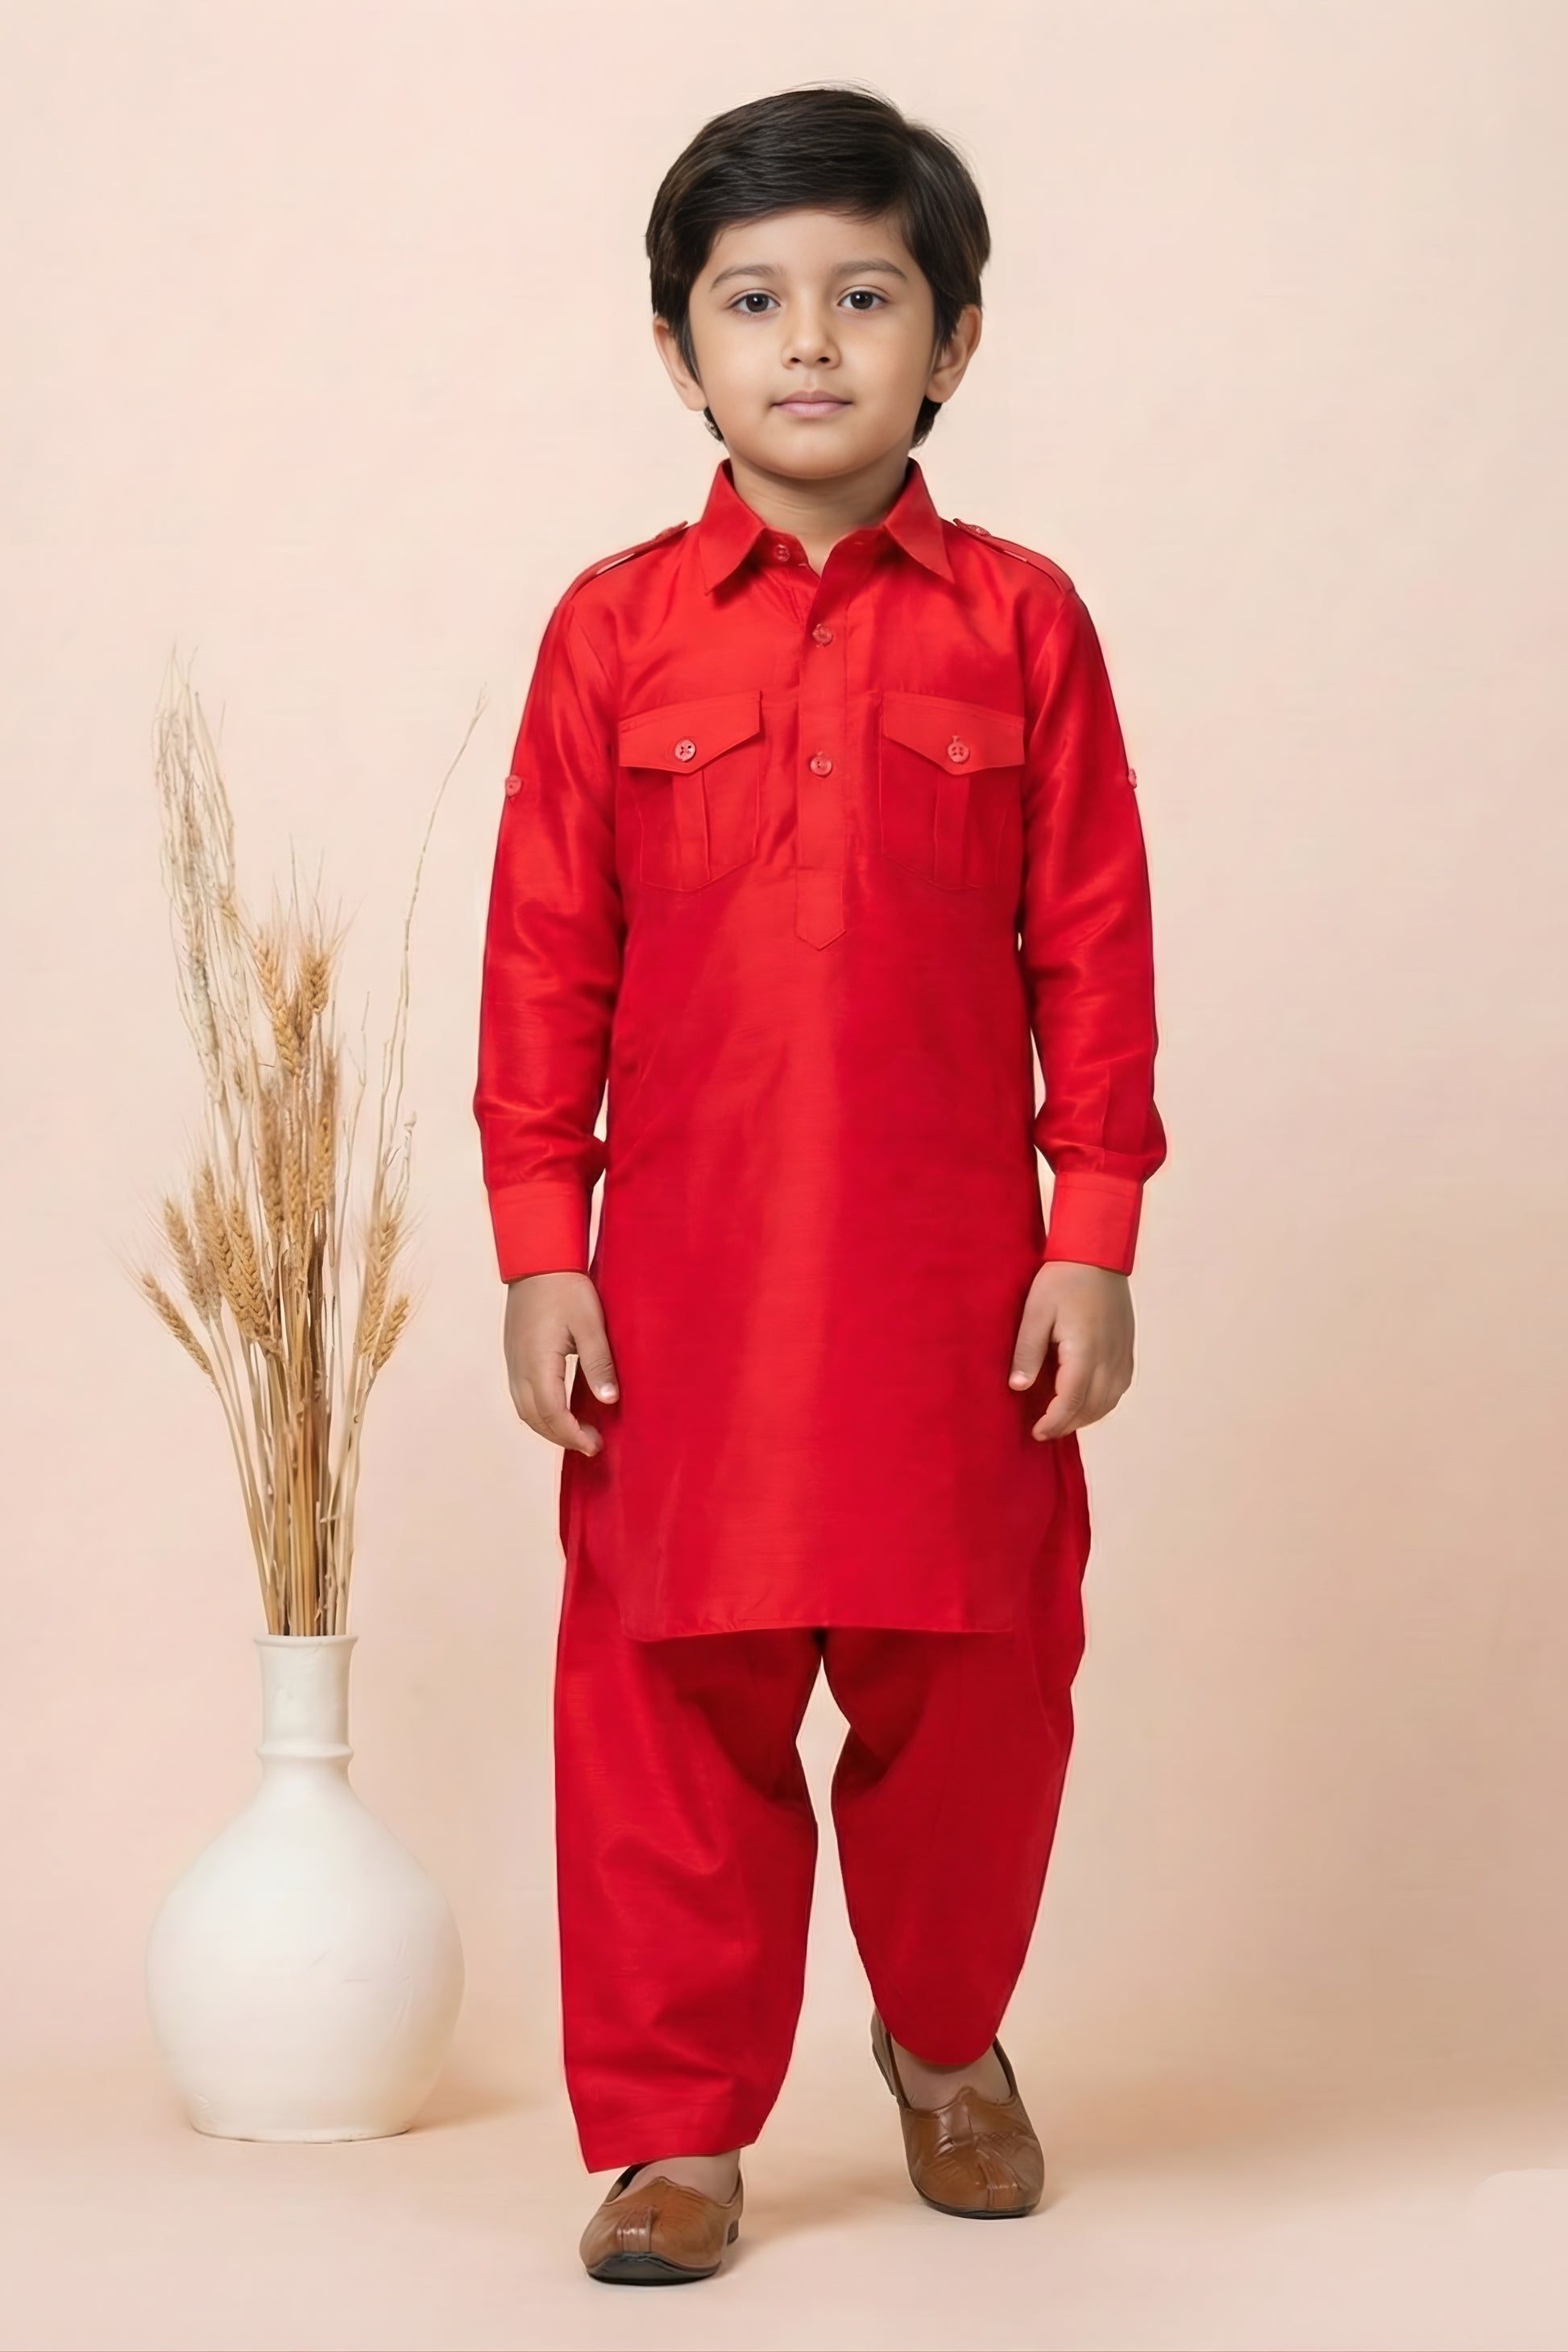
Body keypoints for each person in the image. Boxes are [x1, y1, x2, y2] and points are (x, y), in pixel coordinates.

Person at [473, 81, 1167, 2285]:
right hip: (681, 1301)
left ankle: (946, 2045)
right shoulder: (611, 634)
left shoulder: (1024, 625)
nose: (806, 342)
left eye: (865, 297)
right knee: (663, 1710)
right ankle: (674, 2134)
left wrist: (1090, 1240)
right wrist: (541, 1255)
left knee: (981, 1697)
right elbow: (541, 965)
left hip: (958, 1297)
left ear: (951, 341)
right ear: (676, 351)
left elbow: (1095, 951)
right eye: (751, 300)